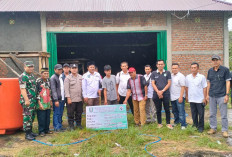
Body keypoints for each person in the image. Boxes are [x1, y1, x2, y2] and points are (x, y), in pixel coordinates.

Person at [206, 55, 231, 138]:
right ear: (212, 61)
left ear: (220, 61)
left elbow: (228, 82)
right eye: (213, 60)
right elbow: (208, 83)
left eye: (216, 60)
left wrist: (227, 95)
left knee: (223, 114)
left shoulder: (225, 70)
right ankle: (213, 128)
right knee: (212, 113)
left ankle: (224, 130)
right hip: (212, 95)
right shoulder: (210, 71)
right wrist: (207, 94)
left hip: (222, 95)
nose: (215, 62)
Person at [19, 61, 38, 140]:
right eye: (29, 67)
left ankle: (30, 131)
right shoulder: (23, 76)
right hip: (27, 100)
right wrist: (26, 100)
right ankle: (27, 134)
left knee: (32, 116)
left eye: (32, 67)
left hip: (33, 100)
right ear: (24, 67)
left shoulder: (31, 76)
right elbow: (22, 89)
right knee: (27, 116)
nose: (30, 68)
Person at [186, 62, 207, 133]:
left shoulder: (202, 77)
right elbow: (187, 87)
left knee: (201, 114)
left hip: (200, 99)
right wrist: (187, 96)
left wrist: (204, 98)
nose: (193, 69)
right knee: (193, 113)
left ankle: (201, 127)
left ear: (198, 68)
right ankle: (195, 125)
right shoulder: (188, 77)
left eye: (195, 68)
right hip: (192, 99)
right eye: (192, 68)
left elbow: (204, 88)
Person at [151, 60, 173, 129]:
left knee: (167, 109)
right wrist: (158, 92)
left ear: (164, 65)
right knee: (158, 109)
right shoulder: (154, 73)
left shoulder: (168, 72)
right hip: (156, 94)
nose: (160, 65)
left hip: (165, 93)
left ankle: (168, 123)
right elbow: (153, 83)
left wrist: (162, 91)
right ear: (157, 65)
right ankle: (159, 123)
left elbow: (169, 83)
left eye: (162, 64)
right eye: (159, 64)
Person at [64, 64, 83, 130]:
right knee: (70, 113)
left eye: (75, 68)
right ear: (70, 69)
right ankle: (71, 125)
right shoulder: (68, 78)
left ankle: (78, 124)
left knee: (79, 112)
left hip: (79, 98)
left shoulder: (81, 77)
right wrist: (68, 98)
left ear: (77, 69)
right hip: (71, 99)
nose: (74, 69)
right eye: (73, 68)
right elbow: (66, 89)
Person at [36, 68, 53, 137]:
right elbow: (36, 93)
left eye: (47, 73)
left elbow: (50, 91)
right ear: (41, 74)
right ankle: (41, 131)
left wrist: (51, 101)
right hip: (41, 101)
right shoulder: (38, 81)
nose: (46, 75)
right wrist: (39, 103)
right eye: (44, 74)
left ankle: (47, 129)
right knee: (41, 117)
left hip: (48, 101)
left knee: (47, 116)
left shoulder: (49, 80)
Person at [170, 63, 187, 130]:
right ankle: (176, 122)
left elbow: (183, 87)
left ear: (178, 68)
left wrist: (181, 96)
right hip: (172, 97)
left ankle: (183, 124)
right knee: (174, 111)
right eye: (173, 68)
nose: (174, 69)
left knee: (181, 111)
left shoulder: (181, 76)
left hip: (179, 97)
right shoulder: (171, 76)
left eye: (176, 68)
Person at [50, 64, 65, 132]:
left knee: (60, 112)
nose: (60, 70)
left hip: (62, 98)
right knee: (56, 113)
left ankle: (60, 126)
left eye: (61, 69)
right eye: (58, 69)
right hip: (57, 99)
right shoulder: (53, 78)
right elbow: (53, 90)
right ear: (55, 70)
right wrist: (55, 100)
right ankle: (56, 127)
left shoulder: (61, 77)